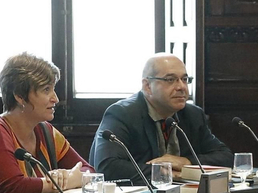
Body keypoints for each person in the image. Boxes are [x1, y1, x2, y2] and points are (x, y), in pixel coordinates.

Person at [0, 53, 93, 193]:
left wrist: (67, 178)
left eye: (53, 89)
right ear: (20, 96)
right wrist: (63, 182)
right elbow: (13, 189)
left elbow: (89, 171)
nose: (55, 99)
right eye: (46, 90)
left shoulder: (46, 130)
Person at [90, 53, 233, 183]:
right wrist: (165, 172)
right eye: (170, 80)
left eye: (184, 79)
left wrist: (186, 162)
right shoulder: (122, 114)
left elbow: (225, 156)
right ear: (147, 86)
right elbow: (107, 166)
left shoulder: (193, 115)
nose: (181, 87)